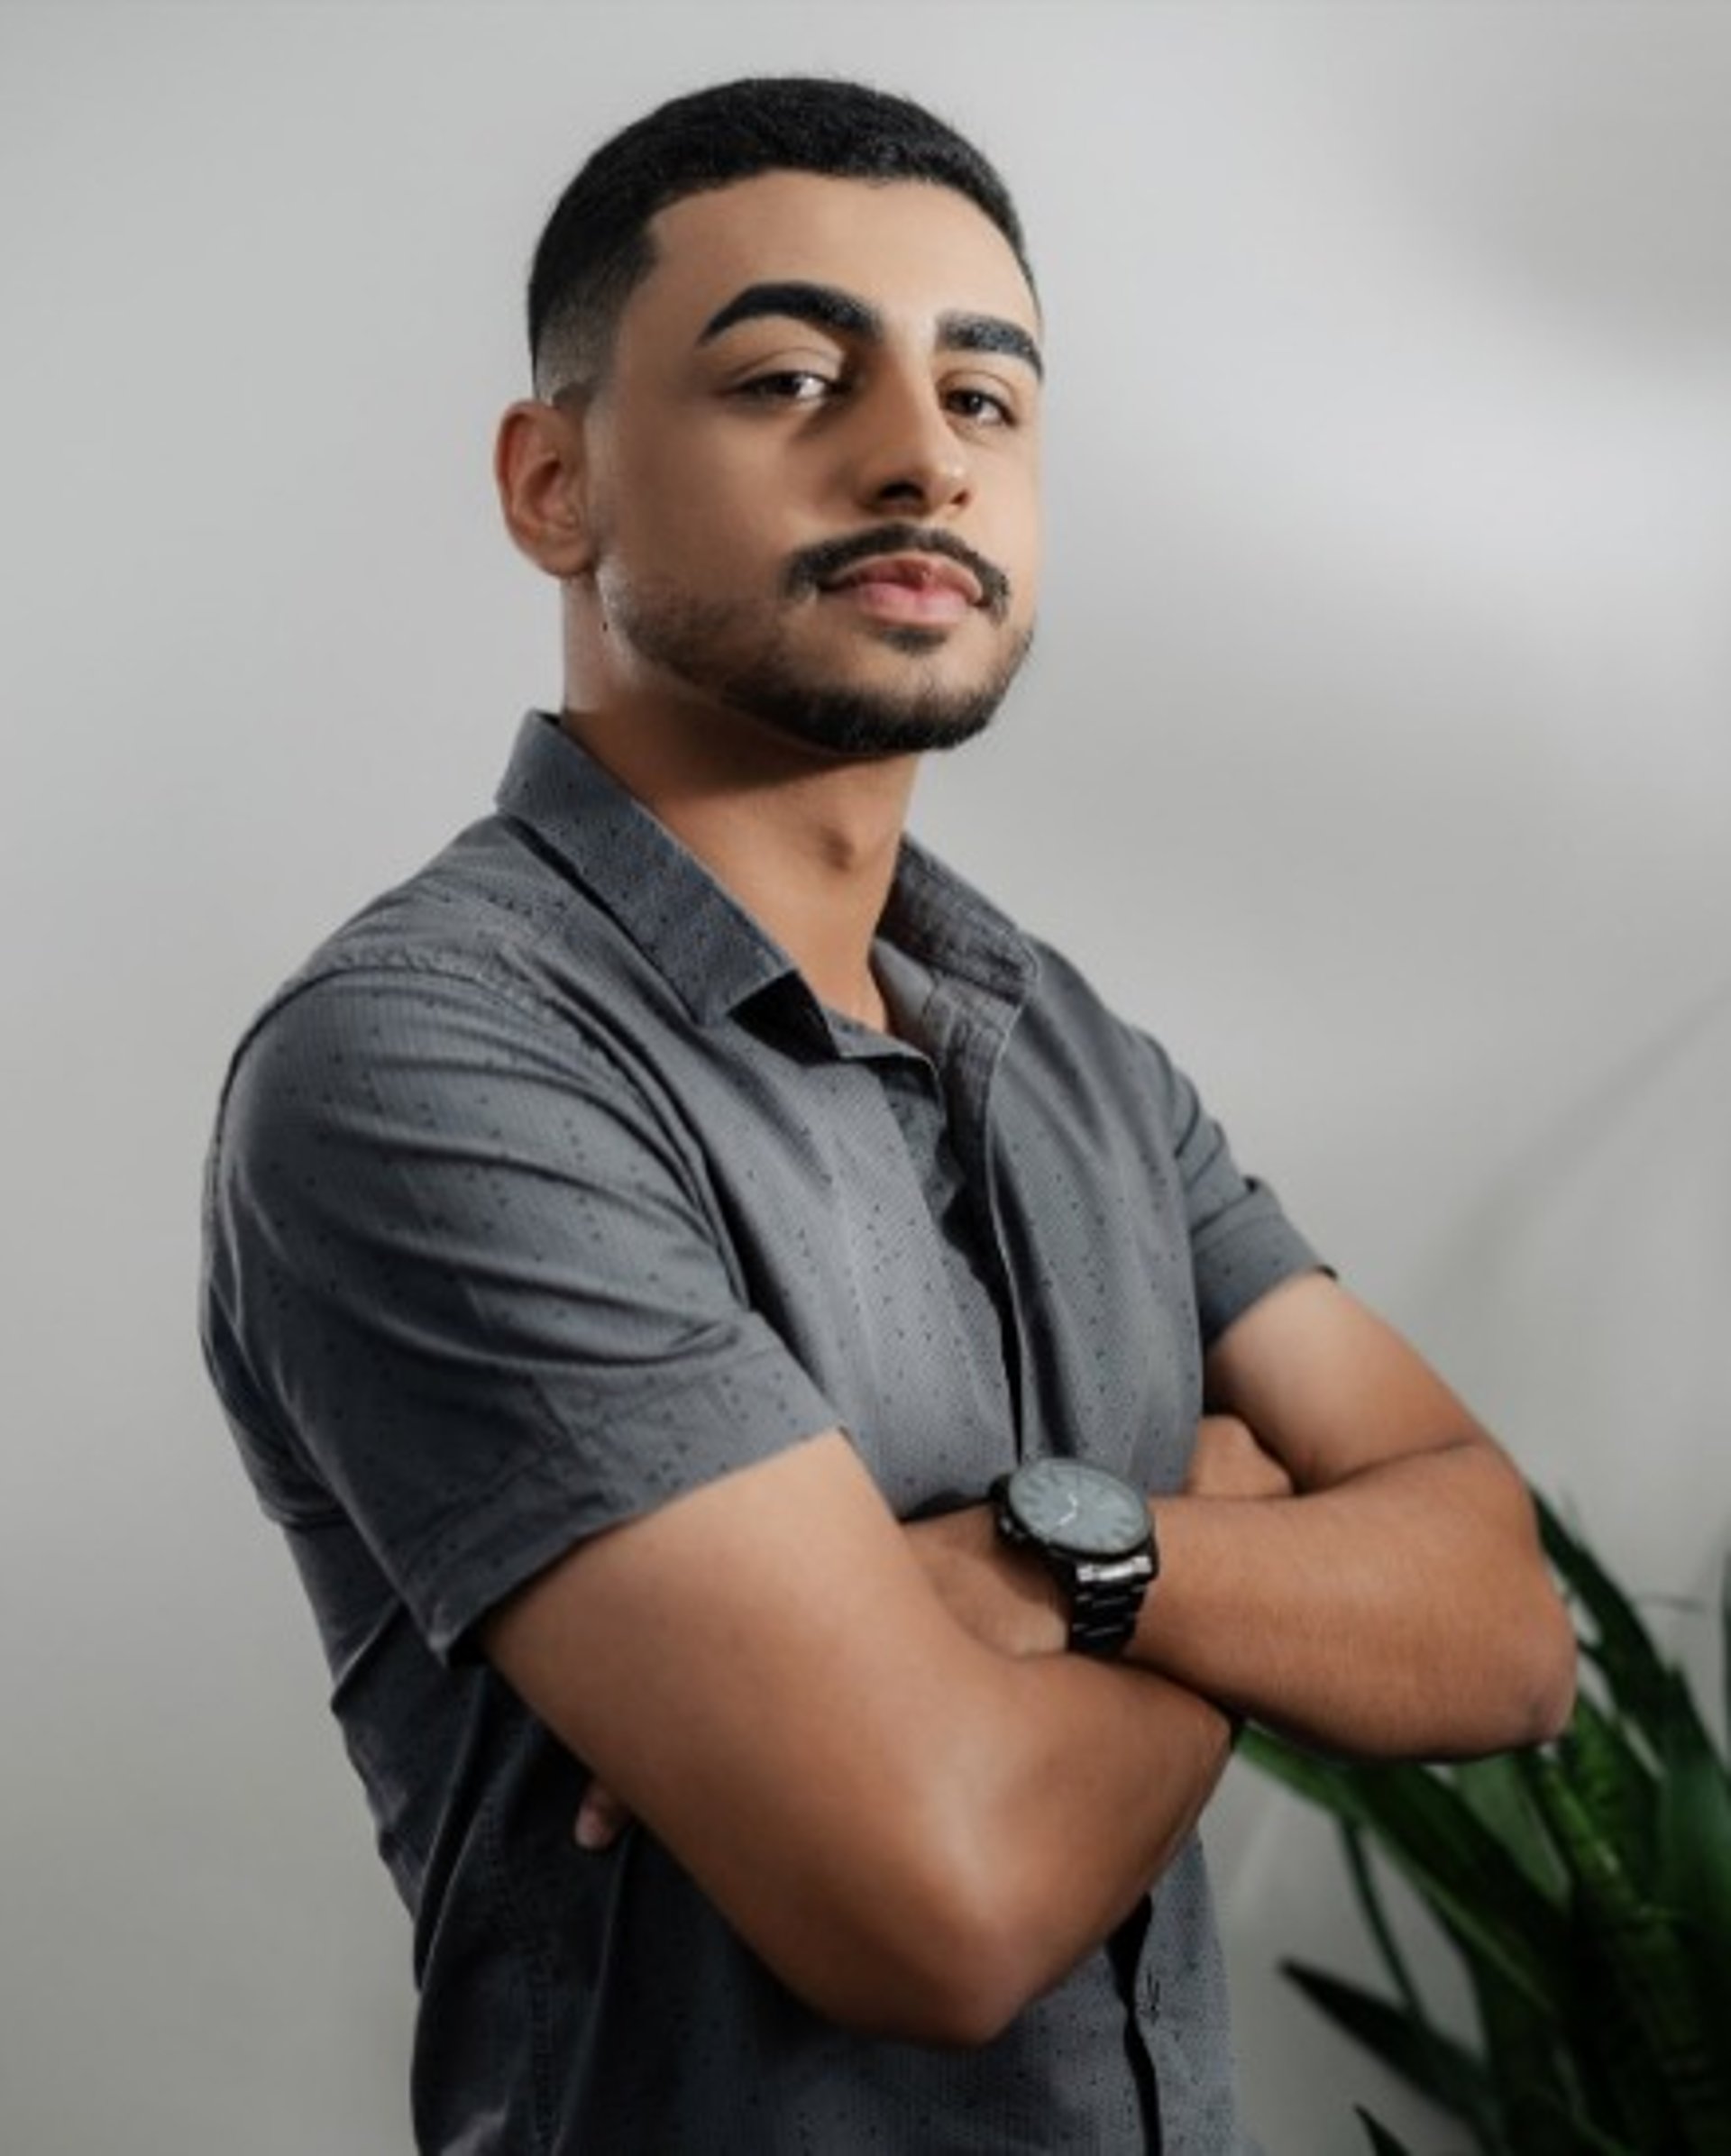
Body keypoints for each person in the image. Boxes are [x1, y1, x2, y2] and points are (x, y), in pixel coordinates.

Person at [199, 76, 1576, 2155]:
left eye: (989, 400)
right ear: (552, 481)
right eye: (786, 375)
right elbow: (934, 1901)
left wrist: (1051, 1575)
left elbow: (1506, 1618)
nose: (922, 452)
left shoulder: (1069, 1051)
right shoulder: (434, 1064)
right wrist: (1222, 1526)